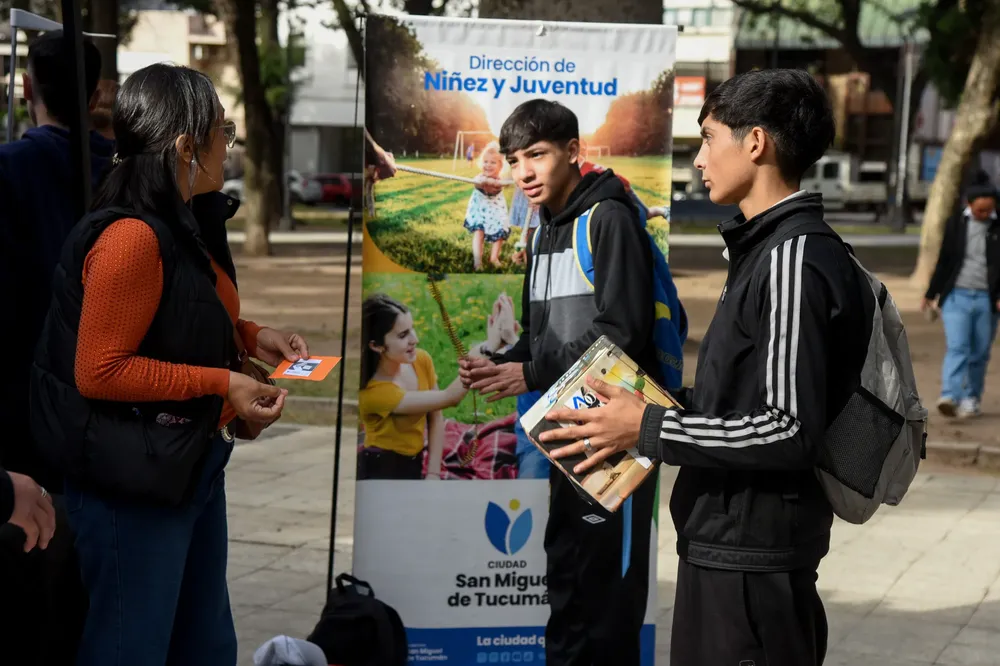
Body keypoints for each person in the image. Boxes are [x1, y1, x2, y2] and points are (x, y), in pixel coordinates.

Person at [537, 69, 871, 666]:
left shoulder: (794, 258)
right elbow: (743, 402)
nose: (698, 159)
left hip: (752, 562)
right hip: (724, 546)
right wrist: (650, 409)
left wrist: (649, 427)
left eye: (708, 138)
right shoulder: (764, 251)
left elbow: (787, 429)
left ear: (756, 142)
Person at [29, 63, 306, 666]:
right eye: (221, 132)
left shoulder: (185, 216)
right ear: (185, 147)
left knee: (206, 647)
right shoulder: (131, 237)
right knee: (131, 649)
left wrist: (251, 336)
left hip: (187, 466)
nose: (227, 146)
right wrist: (223, 383)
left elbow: (180, 313)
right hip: (132, 483)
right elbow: (100, 369)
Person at [459, 99, 660, 665]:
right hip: (567, 438)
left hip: (615, 442)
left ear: (574, 152)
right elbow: (540, 336)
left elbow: (622, 332)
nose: (523, 172)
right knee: (567, 582)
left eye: (537, 155)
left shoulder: (608, 219)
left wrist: (528, 370)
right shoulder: (543, 228)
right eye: (513, 160)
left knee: (606, 598)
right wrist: (501, 361)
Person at [0, 29, 113, 666]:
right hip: (108, 407)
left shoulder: (9, 168)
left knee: (34, 572)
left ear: (26, 88)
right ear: (96, 95)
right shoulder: (124, 174)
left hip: (25, 403)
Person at [358, 294, 468, 480]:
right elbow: (450, 398)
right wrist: (483, 351)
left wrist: (433, 472)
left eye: (412, 329)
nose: (415, 339)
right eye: (403, 335)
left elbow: (436, 415)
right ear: (376, 345)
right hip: (383, 469)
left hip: (415, 461)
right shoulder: (374, 392)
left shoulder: (420, 360)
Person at [922, 184, 1000, 418]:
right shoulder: (956, 223)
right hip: (957, 295)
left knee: (980, 352)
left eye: (989, 210)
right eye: (980, 210)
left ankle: (971, 398)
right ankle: (950, 395)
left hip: (987, 298)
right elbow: (945, 259)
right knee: (958, 346)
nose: (984, 214)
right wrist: (931, 293)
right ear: (969, 204)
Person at [462, 141, 510, 270]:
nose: (488, 165)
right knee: (479, 232)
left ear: (500, 165)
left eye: (493, 162)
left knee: (500, 232)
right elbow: (477, 183)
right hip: (480, 211)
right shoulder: (479, 177)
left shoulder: (500, 180)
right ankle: (478, 261)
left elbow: (501, 186)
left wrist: (492, 182)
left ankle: (494, 258)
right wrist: (483, 181)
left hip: (496, 210)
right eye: (485, 161)